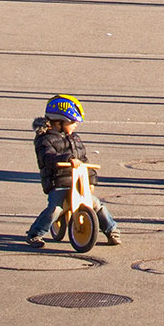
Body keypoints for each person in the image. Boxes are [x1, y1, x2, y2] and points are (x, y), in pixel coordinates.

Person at [24, 94, 120, 249]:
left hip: (78, 183)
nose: (75, 125)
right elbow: (47, 157)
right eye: (72, 122)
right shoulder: (45, 139)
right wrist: (68, 158)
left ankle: (112, 231)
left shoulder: (75, 139)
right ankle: (35, 234)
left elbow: (84, 160)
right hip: (59, 183)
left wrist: (91, 180)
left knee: (96, 204)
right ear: (58, 122)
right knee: (56, 209)